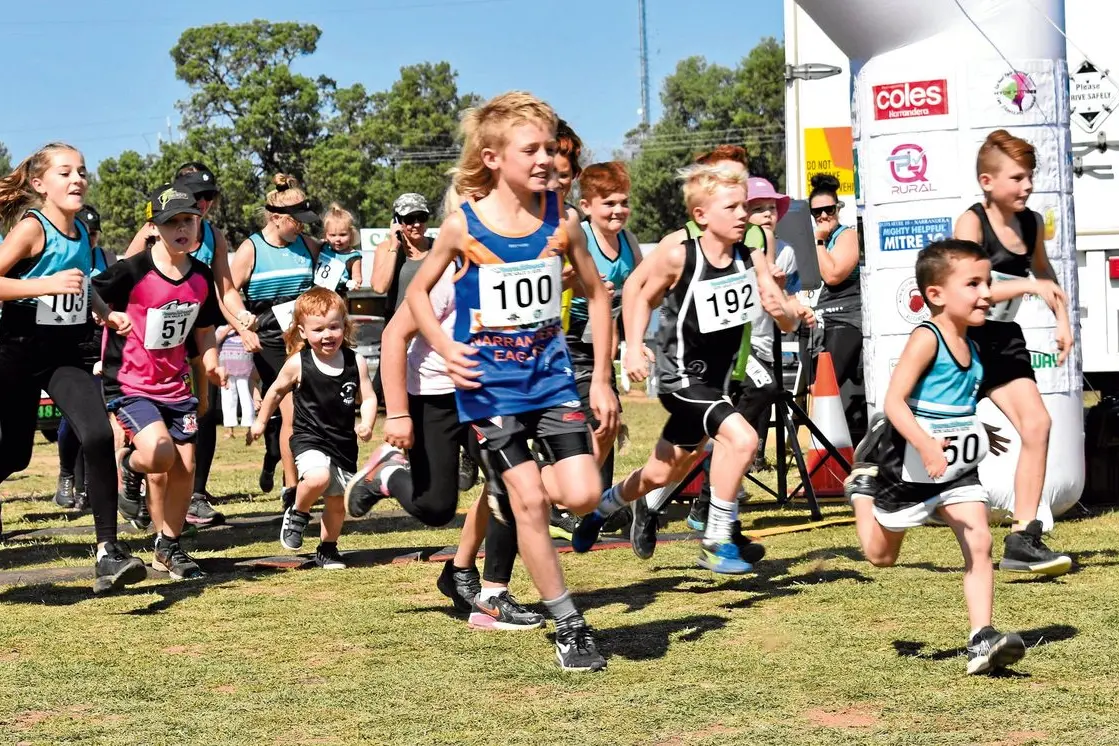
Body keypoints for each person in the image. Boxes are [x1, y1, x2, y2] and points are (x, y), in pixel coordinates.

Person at [405, 91, 619, 671]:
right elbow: (417, 294)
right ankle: (569, 625)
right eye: (533, 149)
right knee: (528, 502)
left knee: (579, 494)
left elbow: (598, 297)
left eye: (552, 148)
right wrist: (448, 347)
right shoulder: (462, 226)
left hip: (551, 380)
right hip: (489, 388)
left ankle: (510, 489)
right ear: (494, 157)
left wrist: (600, 378)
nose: (547, 159)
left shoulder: (564, 220)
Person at [572, 163, 796, 573]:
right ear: (701, 215)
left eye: (744, 206)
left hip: (719, 381)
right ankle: (716, 538)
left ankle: (607, 506)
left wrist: (788, 312)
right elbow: (641, 296)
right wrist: (636, 345)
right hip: (680, 376)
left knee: (663, 470)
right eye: (732, 207)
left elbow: (779, 310)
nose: (743, 215)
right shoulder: (679, 254)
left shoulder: (751, 253)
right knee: (743, 439)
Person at [844, 239, 1027, 675]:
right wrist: (926, 445)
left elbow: (955, 404)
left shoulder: (976, 346)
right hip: (906, 465)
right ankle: (861, 489)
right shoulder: (927, 338)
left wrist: (977, 431)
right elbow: (894, 401)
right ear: (936, 295)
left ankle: (981, 637)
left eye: (988, 282)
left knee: (980, 540)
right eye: (973, 284)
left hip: (957, 470)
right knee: (880, 556)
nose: (985, 293)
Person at [346, 251, 542, 630]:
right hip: (433, 395)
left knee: (512, 483)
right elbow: (393, 336)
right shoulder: (448, 276)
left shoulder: (526, 267)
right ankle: (387, 476)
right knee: (436, 508)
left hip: (487, 395)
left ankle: (493, 595)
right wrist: (399, 414)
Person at [0, 142, 146, 593]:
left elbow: (79, 283)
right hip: (16, 351)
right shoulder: (31, 228)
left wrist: (104, 311)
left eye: (81, 171)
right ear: (40, 184)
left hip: (64, 353)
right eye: (65, 173)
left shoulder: (83, 230)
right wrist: (43, 283)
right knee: (14, 455)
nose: (77, 179)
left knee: (99, 434)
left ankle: (107, 554)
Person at [953, 130, 1073, 576]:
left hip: (1004, 339)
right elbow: (967, 288)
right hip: (962, 340)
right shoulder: (971, 223)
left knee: (1037, 424)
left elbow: (1044, 271)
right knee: (935, 436)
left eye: (1030, 177)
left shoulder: (1031, 223)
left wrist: (1063, 321)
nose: (1027, 187)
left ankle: (1024, 537)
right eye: (1018, 178)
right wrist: (1026, 285)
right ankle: (881, 474)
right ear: (988, 181)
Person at [95, 184, 226, 580]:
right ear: (154, 227)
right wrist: (107, 318)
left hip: (175, 385)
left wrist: (212, 360)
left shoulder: (201, 277)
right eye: (171, 222)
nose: (181, 229)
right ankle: (129, 467)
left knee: (185, 465)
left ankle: (168, 547)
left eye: (188, 220)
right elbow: (88, 292)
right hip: (131, 382)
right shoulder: (132, 270)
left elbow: (203, 331)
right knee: (159, 453)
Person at [123, 162, 259, 528]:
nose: (203, 204)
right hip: (153, 342)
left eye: (208, 197)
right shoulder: (154, 227)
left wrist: (241, 315)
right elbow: (124, 274)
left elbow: (226, 288)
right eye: (197, 196)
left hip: (197, 331)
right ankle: (147, 495)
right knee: (160, 431)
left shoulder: (213, 234)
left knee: (202, 414)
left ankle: (194, 496)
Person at [687, 177, 809, 530]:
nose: (765, 214)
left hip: (762, 346)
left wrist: (796, 306)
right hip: (732, 349)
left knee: (743, 436)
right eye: (757, 208)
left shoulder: (783, 249)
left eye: (771, 208)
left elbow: (788, 299)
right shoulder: (729, 248)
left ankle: (711, 501)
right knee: (752, 407)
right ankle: (706, 504)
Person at [248, 287, 374, 569]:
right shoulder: (298, 363)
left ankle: (328, 549)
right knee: (316, 478)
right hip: (309, 437)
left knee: (336, 502)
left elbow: (368, 396)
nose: (327, 335)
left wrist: (366, 423)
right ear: (303, 332)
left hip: (342, 442)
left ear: (345, 325)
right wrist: (260, 421)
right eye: (318, 329)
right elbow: (276, 391)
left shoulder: (356, 361)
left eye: (334, 327)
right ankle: (298, 511)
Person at [548, 161, 640, 540]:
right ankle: (565, 499)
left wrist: (636, 341)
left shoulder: (629, 242)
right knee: (595, 420)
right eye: (609, 204)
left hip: (603, 341)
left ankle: (593, 503)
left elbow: (638, 291)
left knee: (610, 421)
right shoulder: (577, 236)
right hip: (566, 340)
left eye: (623, 203)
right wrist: (579, 282)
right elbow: (549, 285)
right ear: (587, 206)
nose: (617, 210)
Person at [230, 174, 322, 511]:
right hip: (270, 345)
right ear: (276, 218)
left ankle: (287, 469)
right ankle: (291, 487)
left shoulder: (307, 245)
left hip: (304, 341)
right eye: (296, 221)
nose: (302, 227)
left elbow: (333, 266)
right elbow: (225, 289)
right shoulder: (251, 249)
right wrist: (242, 321)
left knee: (302, 416)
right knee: (291, 413)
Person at [54, 203, 116, 511]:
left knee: (97, 417)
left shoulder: (106, 258)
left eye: (94, 234)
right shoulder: (60, 255)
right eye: (85, 233)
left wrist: (108, 312)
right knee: (72, 417)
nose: (89, 239)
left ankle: (90, 487)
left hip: (99, 340)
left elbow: (117, 292)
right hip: (68, 339)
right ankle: (68, 475)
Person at [809, 173, 865, 443]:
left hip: (848, 319)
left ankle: (833, 447)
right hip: (823, 319)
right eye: (816, 211)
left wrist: (819, 242)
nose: (822, 216)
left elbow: (833, 275)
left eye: (828, 210)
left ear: (837, 209)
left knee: (826, 382)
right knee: (814, 385)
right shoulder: (819, 240)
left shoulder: (847, 236)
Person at [315, 203, 363, 296]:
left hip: (338, 295)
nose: (337, 239)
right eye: (332, 235)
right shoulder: (323, 246)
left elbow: (357, 276)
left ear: (351, 234)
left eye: (342, 235)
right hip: (317, 292)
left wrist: (356, 282)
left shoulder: (353, 256)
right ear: (326, 235)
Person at [217, 325, 255, 437]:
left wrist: (241, 328)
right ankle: (229, 430)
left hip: (245, 370)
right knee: (228, 400)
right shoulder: (221, 329)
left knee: (247, 399)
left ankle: (250, 428)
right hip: (226, 371)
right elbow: (216, 340)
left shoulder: (246, 330)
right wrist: (229, 327)